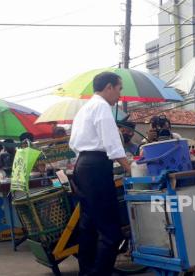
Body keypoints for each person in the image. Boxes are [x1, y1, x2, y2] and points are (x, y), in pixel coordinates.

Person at [69, 72, 131, 275]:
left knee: (89, 224)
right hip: (96, 167)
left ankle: (86, 271)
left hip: (82, 165)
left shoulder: (85, 108)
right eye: (119, 89)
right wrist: (131, 167)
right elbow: (112, 144)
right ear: (109, 87)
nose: (120, 95)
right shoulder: (102, 107)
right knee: (110, 230)